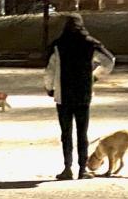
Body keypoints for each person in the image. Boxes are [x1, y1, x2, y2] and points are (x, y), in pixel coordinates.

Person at [45, 14, 114, 180]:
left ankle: (67, 168)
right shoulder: (90, 43)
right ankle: (82, 169)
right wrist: (94, 76)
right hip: (83, 93)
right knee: (82, 132)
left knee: (66, 133)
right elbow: (109, 61)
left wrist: (49, 88)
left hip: (63, 95)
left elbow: (50, 69)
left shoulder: (58, 45)